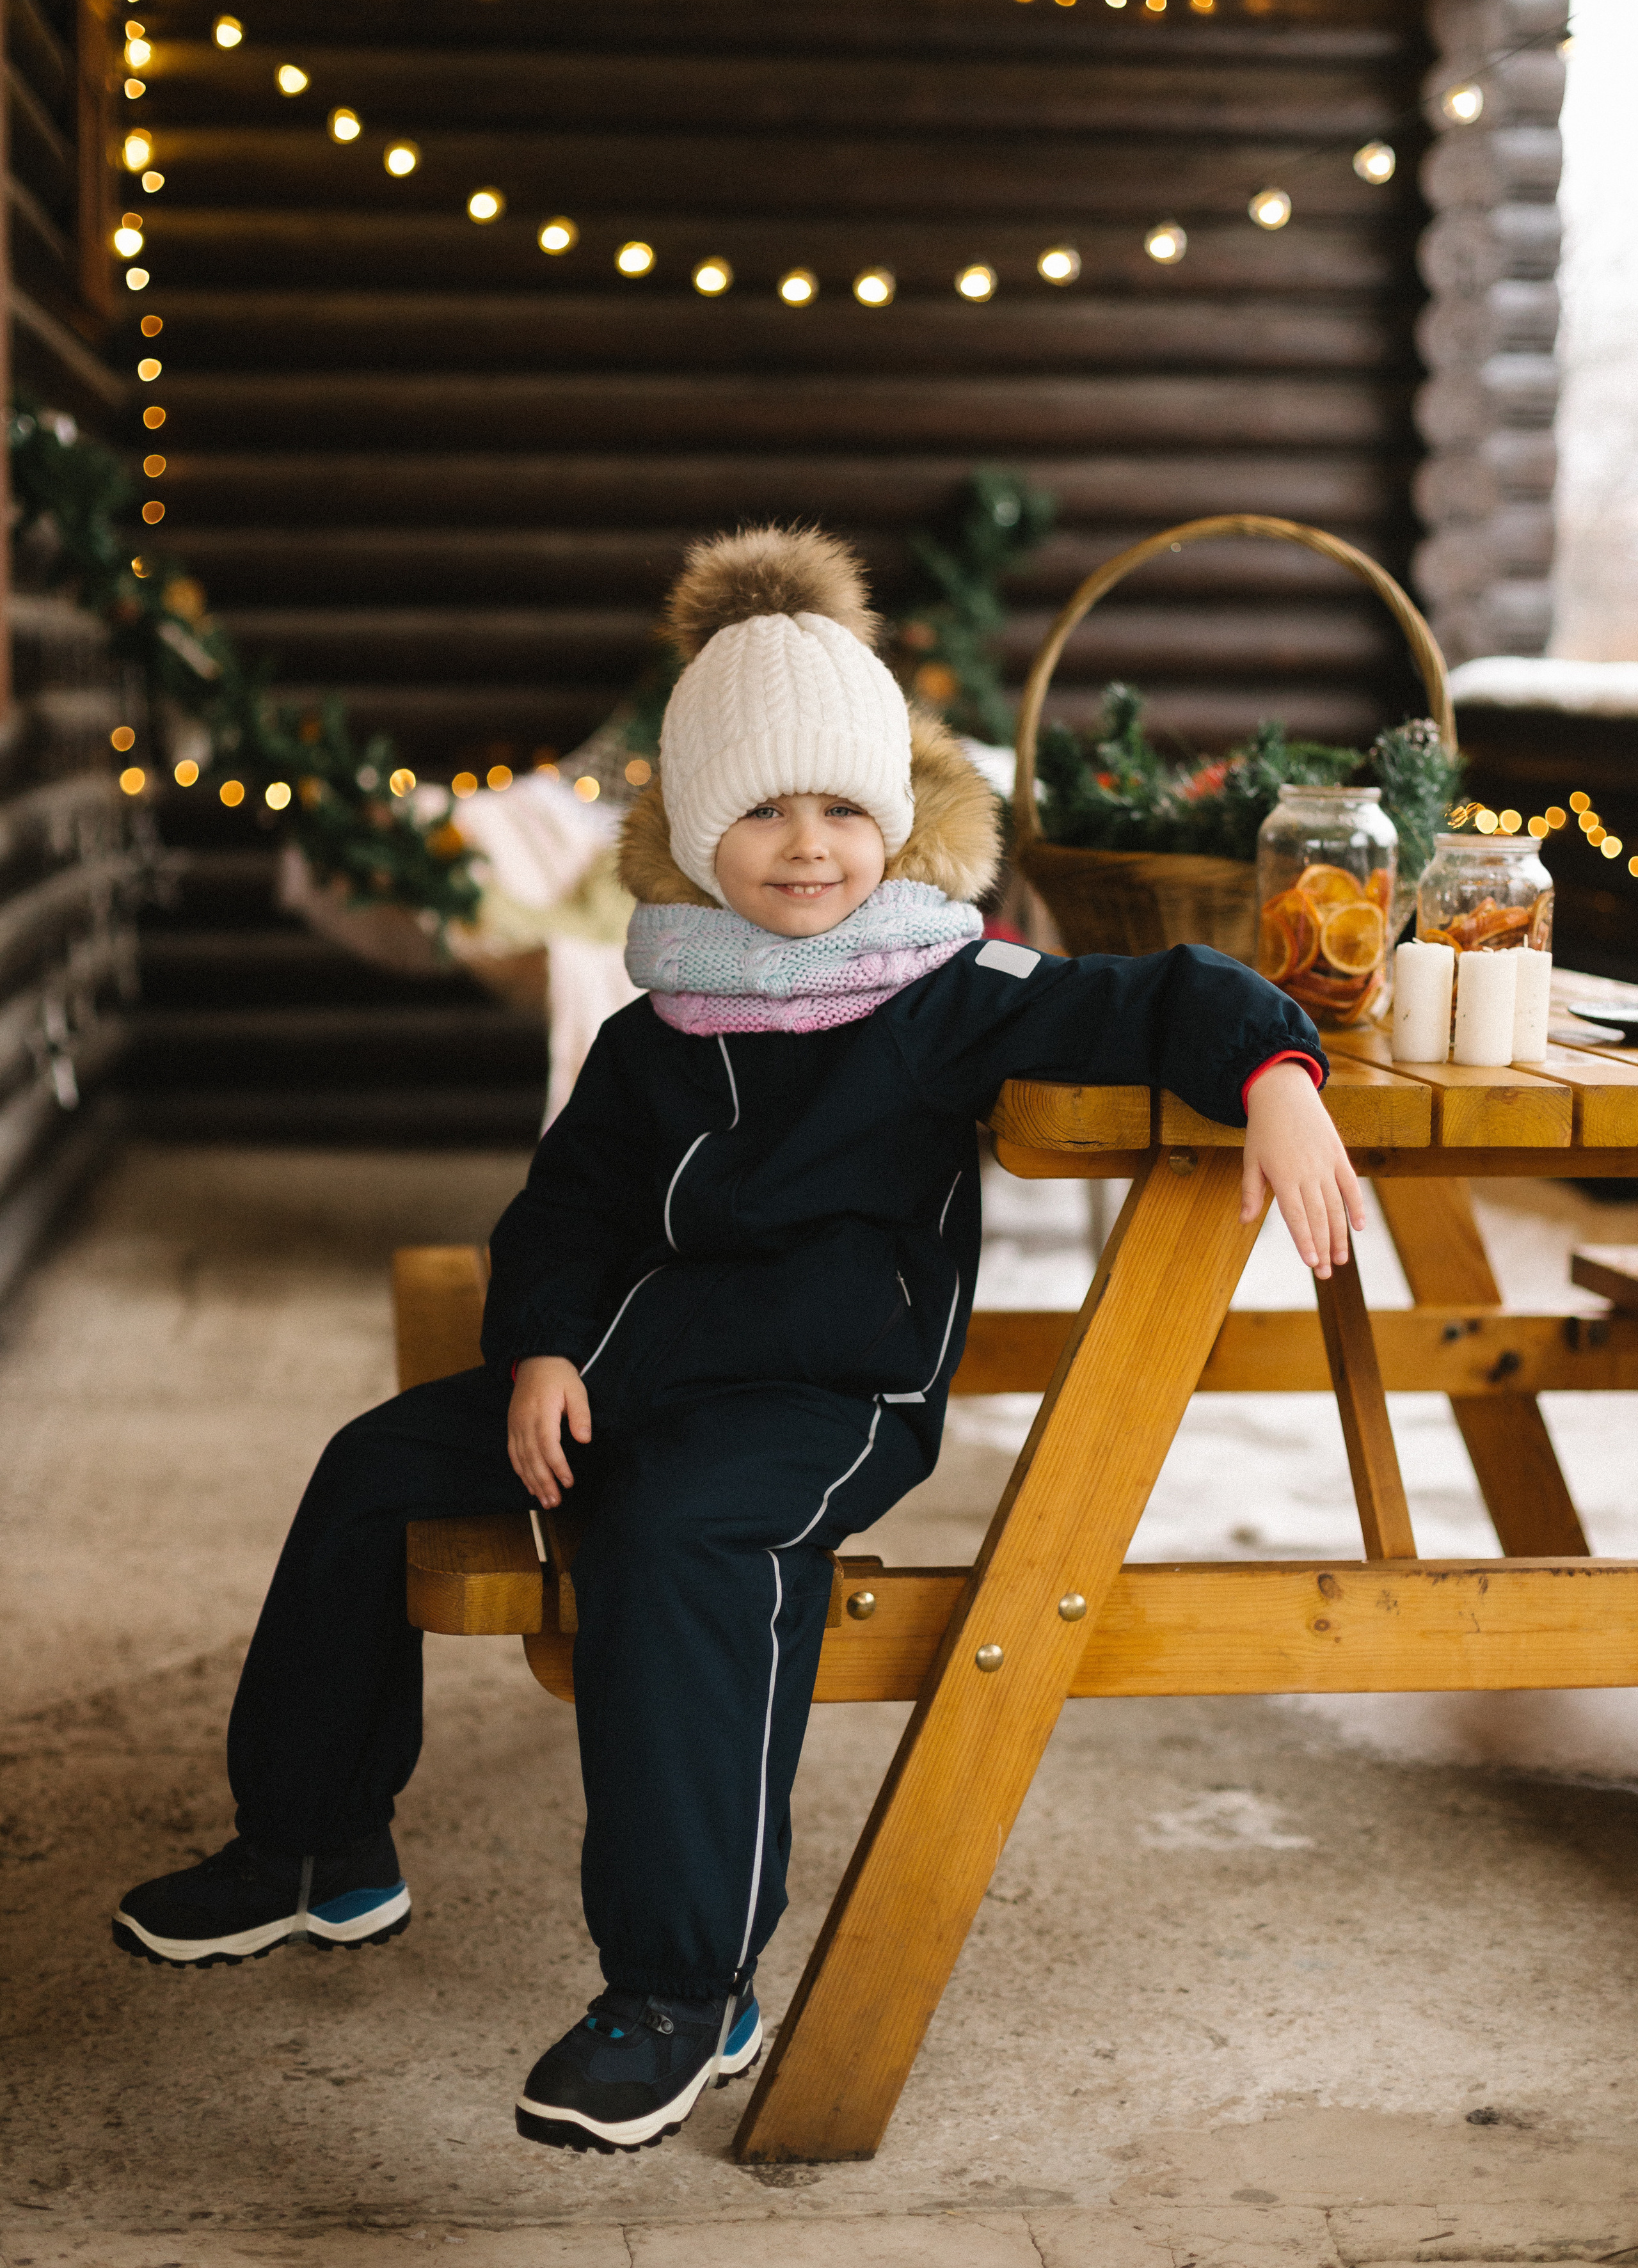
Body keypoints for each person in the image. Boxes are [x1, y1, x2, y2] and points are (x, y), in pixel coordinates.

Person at [112, 526, 1363, 2153]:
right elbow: (561, 1212)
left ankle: (682, 1986)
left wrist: (1273, 1075)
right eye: (764, 808)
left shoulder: (945, 987)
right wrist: (546, 1347)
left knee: (675, 1530)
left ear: (895, 823)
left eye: (844, 806)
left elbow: (1156, 996)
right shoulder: (657, 1018)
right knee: (369, 1470)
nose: (806, 844)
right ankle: (310, 1847)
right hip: (619, 1368)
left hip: (817, 1393)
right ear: (698, 833)